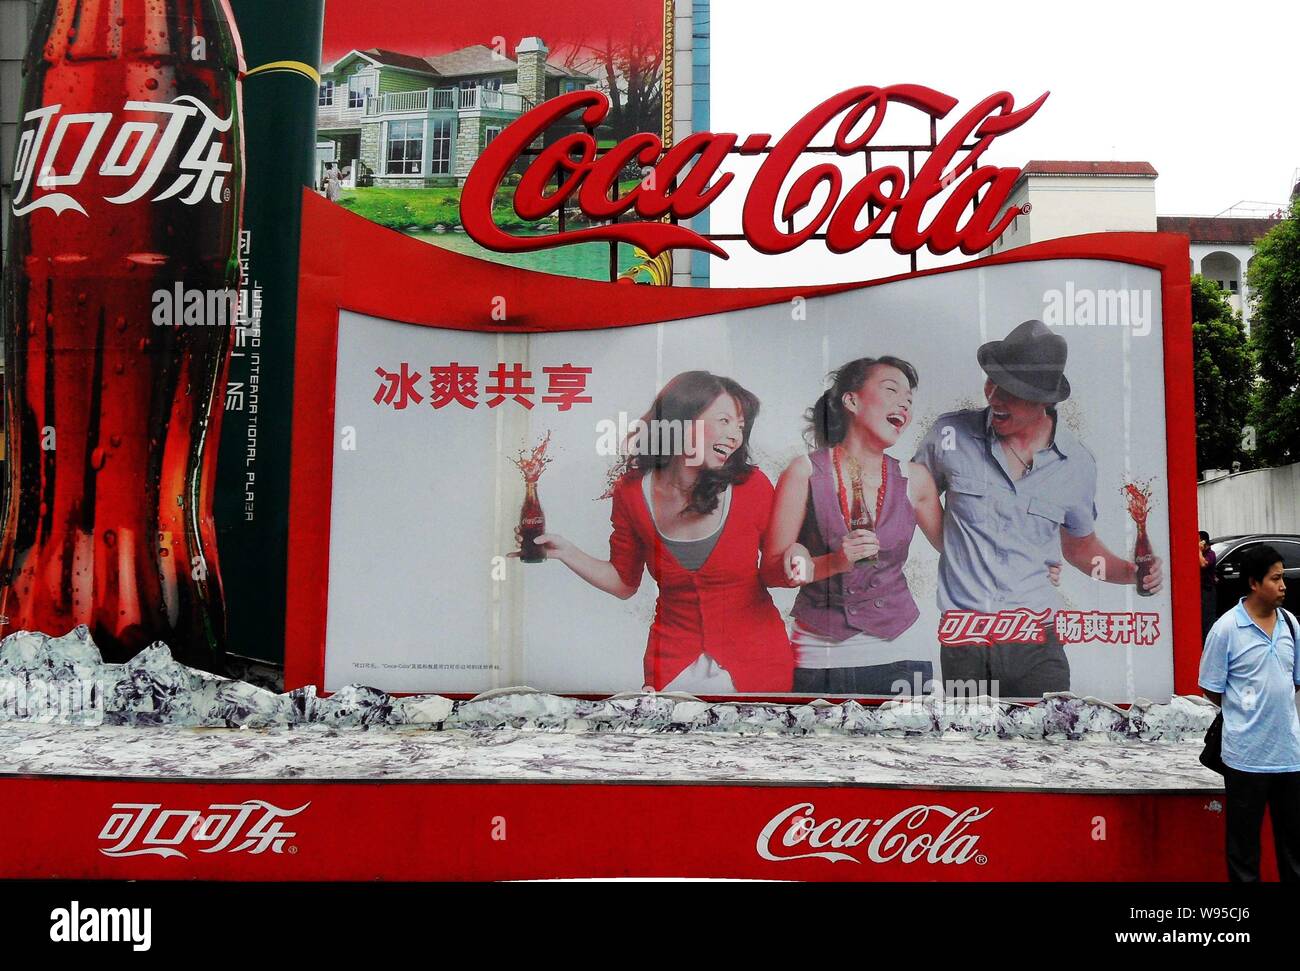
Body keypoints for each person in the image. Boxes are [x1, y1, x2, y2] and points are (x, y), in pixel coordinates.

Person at [912, 319, 1163, 699]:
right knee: (971, 754)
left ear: (1044, 399)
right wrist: (953, 546)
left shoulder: (1077, 463)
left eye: (1010, 390)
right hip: (966, 640)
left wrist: (1132, 573)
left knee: (1048, 751)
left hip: (1038, 641)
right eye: (991, 382)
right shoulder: (951, 436)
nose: (994, 396)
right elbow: (916, 490)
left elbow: (1080, 548)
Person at [531, 371, 794, 693]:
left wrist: (802, 560)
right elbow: (624, 582)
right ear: (681, 419)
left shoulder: (751, 487)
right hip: (671, 663)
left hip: (759, 662)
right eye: (724, 421)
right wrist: (564, 551)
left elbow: (776, 568)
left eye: (740, 427)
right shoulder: (630, 492)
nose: (735, 436)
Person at [766, 356, 943, 696]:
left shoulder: (915, 479)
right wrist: (833, 562)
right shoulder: (802, 472)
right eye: (891, 390)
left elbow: (960, 549)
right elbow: (772, 572)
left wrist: (1036, 558)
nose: (903, 404)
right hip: (819, 656)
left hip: (902, 652)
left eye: (908, 400)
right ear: (851, 400)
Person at [1199, 544, 1300, 882]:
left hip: (1289, 756)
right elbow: (1212, 688)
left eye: (1283, 578)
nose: (1283, 586)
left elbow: (1293, 682)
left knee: (1294, 850)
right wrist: (1246, 709)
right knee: (1244, 852)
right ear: (1254, 583)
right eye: (1275, 579)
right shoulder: (1226, 629)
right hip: (1245, 758)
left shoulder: (1291, 626)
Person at [1200, 530, 1219, 639]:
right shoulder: (1200, 554)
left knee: (1208, 620)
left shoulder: (1210, 554)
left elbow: (1203, 564)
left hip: (1208, 591)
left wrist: (1198, 549)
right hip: (1200, 591)